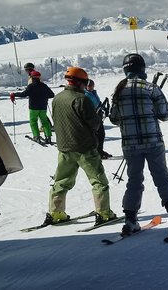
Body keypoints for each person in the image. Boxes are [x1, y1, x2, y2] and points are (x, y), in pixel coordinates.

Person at [109, 53, 168, 235]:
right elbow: (165, 115)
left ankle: (131, 219)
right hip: (153, 141)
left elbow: (114, 118)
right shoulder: (151, 88)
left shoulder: (119, 91)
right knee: (162, 178)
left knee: (134, 180)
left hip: (130, 144)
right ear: (142, 68)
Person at [46, 67, 116, 226]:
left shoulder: (57, 98)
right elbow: (94, 124)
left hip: (64, 147)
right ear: (82, 83)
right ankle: (104, 212)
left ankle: (56, 212)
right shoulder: (81, 99)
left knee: (61, 181)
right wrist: (98, 117)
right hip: (84, 147)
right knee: (99, 181)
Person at [10, 70, 55, 144]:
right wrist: (43, 96)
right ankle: (48, 137)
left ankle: (36, 136)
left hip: (33, 108)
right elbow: (52, 95)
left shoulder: (31, 86)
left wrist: (14, 94)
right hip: (43, 107)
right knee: (45, 122)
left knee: (33, 121)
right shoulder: (44, 86)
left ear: (32, 78)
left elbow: (24, 94)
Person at [85, 79, 112, 159]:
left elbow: (98, 103)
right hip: (92, 117)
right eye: (89, 86)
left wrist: (104, 108)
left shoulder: (93, 93)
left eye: (92, 85)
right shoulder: (85, 94)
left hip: (98, 116)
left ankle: (100, 150)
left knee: (101, 134)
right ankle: (97, 152)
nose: (91, 87)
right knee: (98, 135)